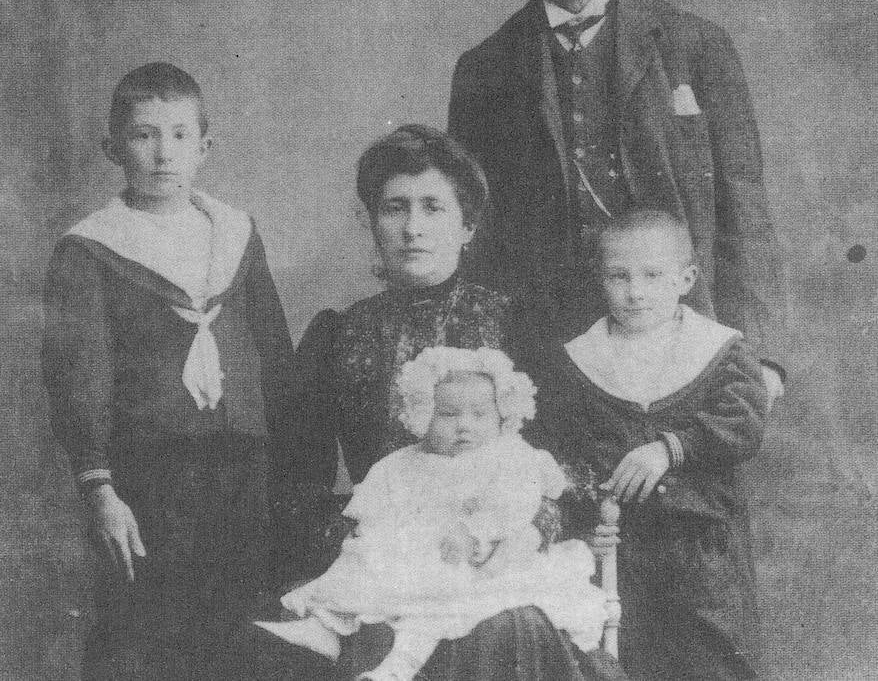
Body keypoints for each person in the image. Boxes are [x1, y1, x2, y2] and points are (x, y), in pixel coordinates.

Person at [265, 124, 625, 681]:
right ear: (369, 221)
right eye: (394, 208)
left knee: (510, 628)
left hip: (501, 561)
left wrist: (526, 530)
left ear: (468, 225)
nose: (413, 228)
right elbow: (294, 487)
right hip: (390, 571)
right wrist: (369, 542)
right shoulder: (337, 336)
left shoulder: (519, 325)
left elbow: (575, 465)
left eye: (433, 207)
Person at [448, 0, 785, 403]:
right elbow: (475, 235)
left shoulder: (696, 46)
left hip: (684, 344)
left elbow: (744, 210)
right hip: (543, 355)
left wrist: (764, 358)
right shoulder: (484, 69)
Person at [41, 63, 306, 680]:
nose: (164, 154)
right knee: (146, 637)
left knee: (243, 632)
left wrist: (291, 470)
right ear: (113, 148)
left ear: (205, 147)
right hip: (148, 478)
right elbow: (79, 376)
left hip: (243, 472)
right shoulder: (90, 249)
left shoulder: (235, 233)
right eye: (144, 135)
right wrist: (100, 488)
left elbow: (273, 352)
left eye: (180, 136)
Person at [263, 346, 607, 681]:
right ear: (423, 414)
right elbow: (377, 506)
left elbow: (515, 506)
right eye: (448, 414)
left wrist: (474, 532)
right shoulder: (402, 462)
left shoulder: (510, 458)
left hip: (479, 564)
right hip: (411, 560)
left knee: (434, 612)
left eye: (479, 414)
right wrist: (368, 533)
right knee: (358, 562)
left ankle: (397, 668)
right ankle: (324, 627)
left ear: (503, 414)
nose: (463, 426)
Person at [533, 208, 768, 680]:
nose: (635, 292)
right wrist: (584, 522)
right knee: (618, 658)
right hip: (620, 550)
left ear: (686, 279)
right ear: (601, 281)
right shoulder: (581, 360)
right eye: (619, 276)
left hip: (699, 549)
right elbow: (563, 455)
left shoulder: (720, 351)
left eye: (652, 275)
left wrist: (669, 448)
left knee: (710, 660)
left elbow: (743, 423)